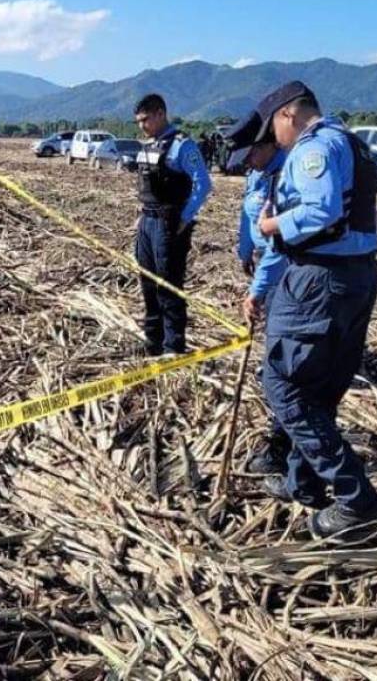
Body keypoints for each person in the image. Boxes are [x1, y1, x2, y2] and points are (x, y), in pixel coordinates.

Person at [253, 81, 377, 538]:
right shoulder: (351, 142)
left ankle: (357, 499)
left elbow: (320, 210)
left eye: (274, 127)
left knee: (283, 385)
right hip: (355, 276)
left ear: (287, 115)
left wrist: (272, 223)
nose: (275, 140)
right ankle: (304, 484)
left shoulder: (317, 147)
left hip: (319, 280)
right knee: (319, 385)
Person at [223, 110, 291, 476]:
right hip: (263, 258)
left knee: (280, 348)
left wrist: (256, 290)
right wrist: (243, 249)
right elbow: (246, 214)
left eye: (250, 154)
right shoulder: (257, 170)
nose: (246, 163)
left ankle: (281, 443)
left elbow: (281, 249)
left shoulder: (285, 174)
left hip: (283, 267)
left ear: (266, 144)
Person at [133, 94, 211, 356]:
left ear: (160, 114)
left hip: (169, 226)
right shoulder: (151, 145)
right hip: (147, 222)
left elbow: (203, 184)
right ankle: (152, 344)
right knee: (148, 285)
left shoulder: (182, 146)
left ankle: (172, 348)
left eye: (145, 120)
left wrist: (184, 218)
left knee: (168, 286)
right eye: (139, 122)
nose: (142, 126)